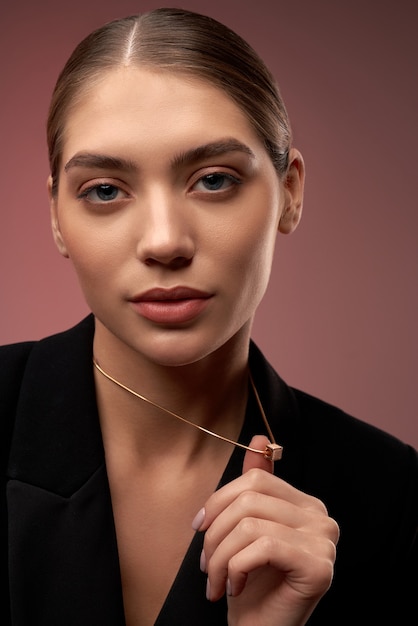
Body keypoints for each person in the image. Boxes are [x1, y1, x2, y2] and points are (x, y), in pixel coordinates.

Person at [2, 7, 417, 626]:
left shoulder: (391, 497)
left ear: (290, 191)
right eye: (106, 191)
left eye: (214, 180)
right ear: (59, 216)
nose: (165, 242)